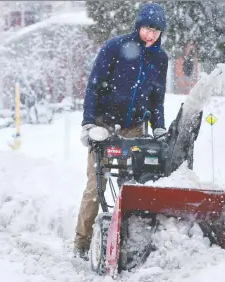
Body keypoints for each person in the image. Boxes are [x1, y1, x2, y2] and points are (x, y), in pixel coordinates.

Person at [73, 3, 169, 260]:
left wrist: (159, 126)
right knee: (96, 186)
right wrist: (88, 124)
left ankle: (127, 240)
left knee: (134, 187)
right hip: (104, 124)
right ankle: (81, 243)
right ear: (139, 26)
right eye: (148, 28)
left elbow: (156, 98)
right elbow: (94, 85)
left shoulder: (160, 59)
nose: (151, 35)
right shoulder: (115, 48)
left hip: (135, 127)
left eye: (156, 31)